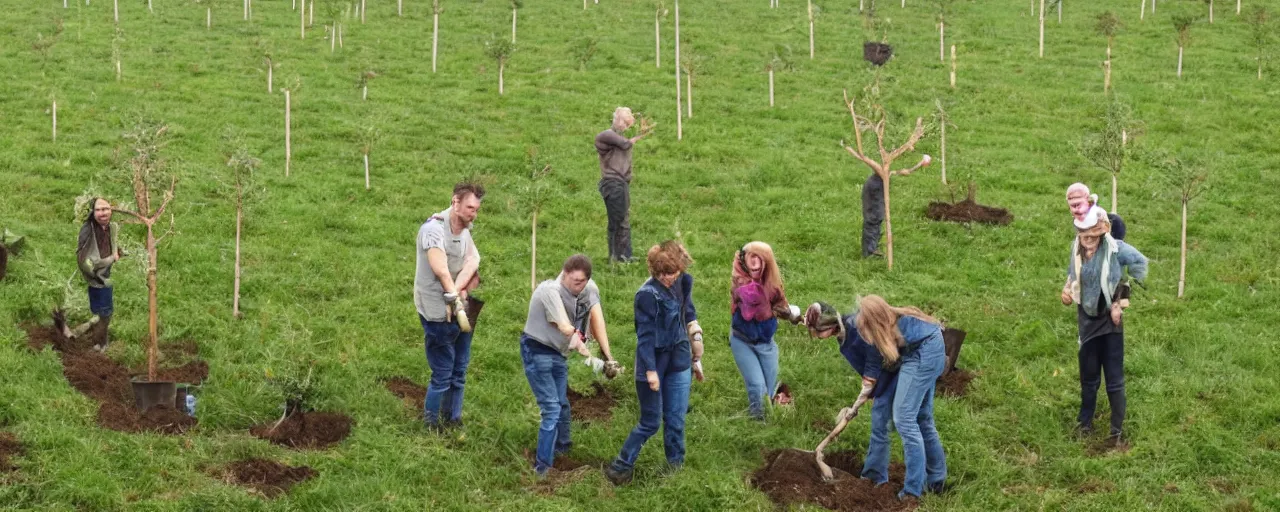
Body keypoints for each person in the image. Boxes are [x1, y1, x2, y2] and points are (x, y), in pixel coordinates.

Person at [605, 240, 701, 485]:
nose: (666, 278)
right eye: (660, 273)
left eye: (671, 273)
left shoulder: (684, 282)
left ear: (680, 267)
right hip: (654, 361)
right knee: (650, 423)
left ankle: (674, 470)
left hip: (679, 358)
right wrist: (650, 371)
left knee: (676, 420)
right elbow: (644, 337)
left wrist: (696, 342)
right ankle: (620, 467)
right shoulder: (646, 296)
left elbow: (687, 312)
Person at [520, 255, 623, 477]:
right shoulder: (550, 291)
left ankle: (563, 448)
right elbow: (566, 327)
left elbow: (595, 316)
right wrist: (582, 346)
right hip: (537, 351)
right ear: (564, 274)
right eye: (575, 281)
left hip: (558, 354)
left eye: (582, 282)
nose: (578, 287)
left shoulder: (588, 289)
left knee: (563, 404)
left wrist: (607, 357)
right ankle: (543, 468)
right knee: (552, 409)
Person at [847, 295, 947, 499]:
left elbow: (878, 360)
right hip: (932, 346)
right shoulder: (889, 319)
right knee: (922, 418)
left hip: (923, 355)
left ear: (873, 321)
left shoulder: (891, 327)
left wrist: (862, 398)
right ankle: (936, 480)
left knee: (905, 419)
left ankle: (912, 491)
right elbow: (875, 364)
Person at [1061, 206, 1147, 442]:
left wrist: (1122, 297)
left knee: (1114, 378)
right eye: (1084, 236)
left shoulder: (1115, 250)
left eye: (1093, 237)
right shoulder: (1077, 248)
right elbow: (1073, 274)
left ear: (1102, 235)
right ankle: (1085, 423)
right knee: (1088, 377)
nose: (1088, 242)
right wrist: (1067, 290)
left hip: (1110, 321)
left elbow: (1139, 263)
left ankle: (1116, 432)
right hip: (1086, 320)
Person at [804, 302, 900, 486]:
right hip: (884, 378)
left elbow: (873, 367)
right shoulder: (843, 331)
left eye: (817, 332)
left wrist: (855, 407)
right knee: (916, 422)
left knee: (881, 424)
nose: (816, 336)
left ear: (829, 326)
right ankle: (933, 473)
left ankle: (872, 480)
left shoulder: (859, 330)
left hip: (894, 373)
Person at [414, 182, 484, 432]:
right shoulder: (433, 230)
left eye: (476, 210)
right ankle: (432, 425)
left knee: (460, 368)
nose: (472, 214)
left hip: (460, 308)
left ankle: (453, 418)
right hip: (436, 311)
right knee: (443, 372)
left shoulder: (465, 229)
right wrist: (453, 296)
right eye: (469, 208)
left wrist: (459, 290)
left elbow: (473, 258)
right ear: (455, 202)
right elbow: (439, 268)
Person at [728, 241, 801, 420]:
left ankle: (769, 417)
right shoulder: (740, 282)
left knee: (768, 390)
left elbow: (780, 304)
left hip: (766, 343)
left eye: (759, 258)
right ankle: (757, 424)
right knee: (757, 387)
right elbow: (751, 297)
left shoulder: (772, 283)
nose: (755, 263)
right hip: (742, 341)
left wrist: (791, 314)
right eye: (750, 257)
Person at [595, 107, 652, 263]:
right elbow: (625, 144)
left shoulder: (618, 137)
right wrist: (639, 135)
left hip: (621, 184)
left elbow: (625, 143)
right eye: (626, 123)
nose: (627, 127)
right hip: (612, 184)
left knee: (623, 220)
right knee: (617, 220)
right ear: (619, 120)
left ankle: (624, 255)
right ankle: (615, 256)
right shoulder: (606, 135)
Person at [77, 198, 123, 352]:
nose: (102, 213)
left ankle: (98, 336)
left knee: (102, 311)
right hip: (97, 279)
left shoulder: (111, 227)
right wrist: (110, 259)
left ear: (111, 210)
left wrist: (117, 253)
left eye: (106, 209)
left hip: (104, 277)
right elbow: (85, 260)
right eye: (98, 210)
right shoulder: (88, 230)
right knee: (104, 312)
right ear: (92, 212)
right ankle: (100, 344)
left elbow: (111, 246)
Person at [861, 172, 886, 258]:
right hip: (875, 186)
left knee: (877, 219)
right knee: (873, 219)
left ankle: (873, 247)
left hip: (879, 183)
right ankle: (869, 252)